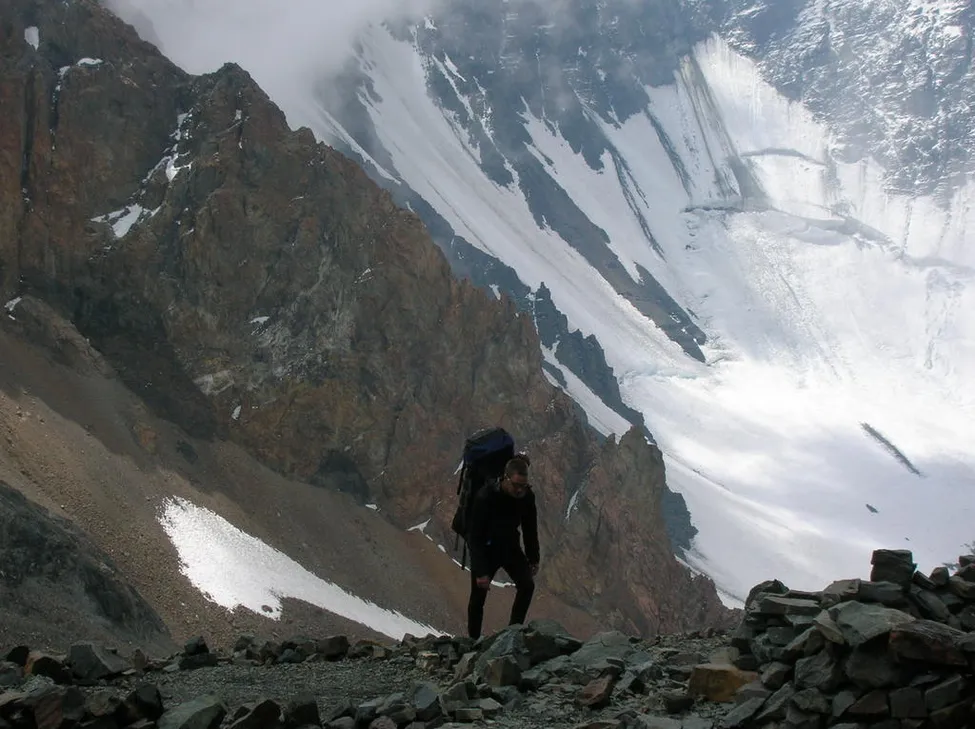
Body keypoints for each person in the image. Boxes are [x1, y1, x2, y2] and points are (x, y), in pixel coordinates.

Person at [465, 454, 539, 640]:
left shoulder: (527, 497)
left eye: (523, 485)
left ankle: (512, 634)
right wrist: (481, 572)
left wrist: (533, 558)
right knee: (478, 597)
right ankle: (473, 641)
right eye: (516, 485)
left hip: (510, 547)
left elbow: (530, 528)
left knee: (527, 585)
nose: (520, 490)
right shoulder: (486, 496)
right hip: (486, 549)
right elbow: (475, 537)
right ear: (505, 478)